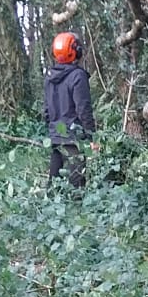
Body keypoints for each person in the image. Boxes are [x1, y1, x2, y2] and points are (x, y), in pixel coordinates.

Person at [44, 31, 95, 188]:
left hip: (56, 134)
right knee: (77, 186)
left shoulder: (49, 77)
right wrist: (91, 136)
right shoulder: (78, 76)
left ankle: (46, 210)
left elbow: (46, 110)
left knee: (53, 185)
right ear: (75, 51)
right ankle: (78, 210)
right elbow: (83, 108)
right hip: (74, 138)